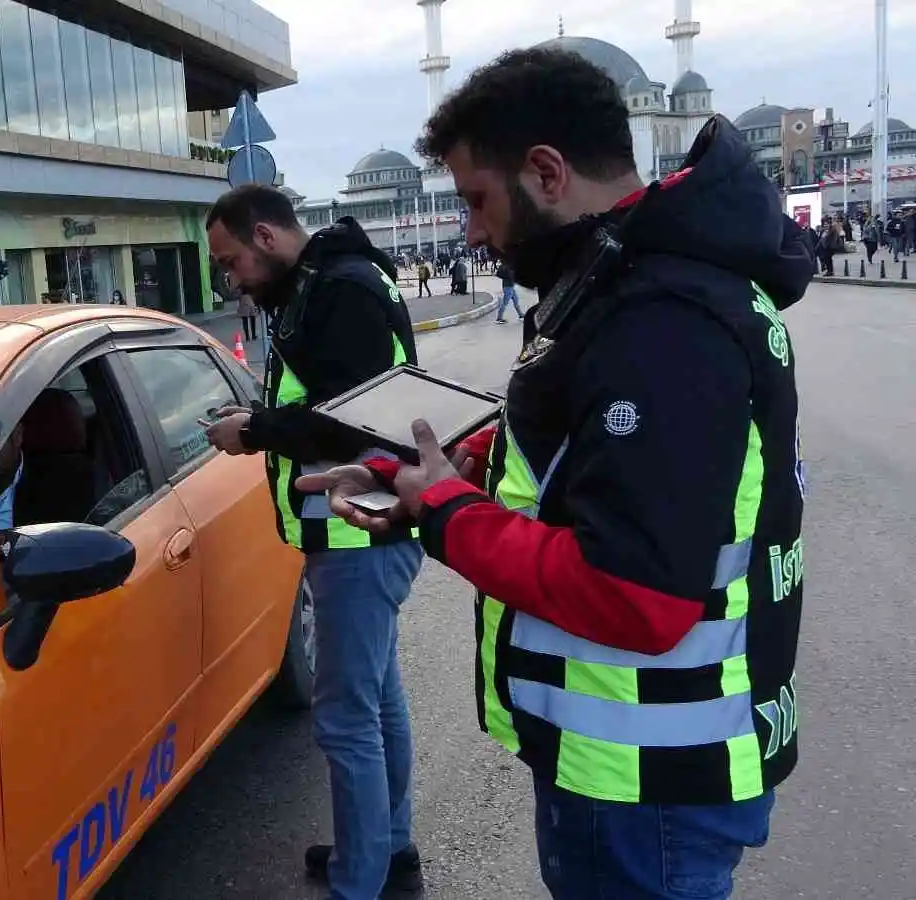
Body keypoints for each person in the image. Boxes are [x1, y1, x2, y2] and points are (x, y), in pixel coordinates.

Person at [297, 48, 810, 900]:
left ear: (545, 172)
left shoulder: (659, 323)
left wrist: (448, 513)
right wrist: (436, 475)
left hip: (643, 784)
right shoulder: (633, 284)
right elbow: (583, 461)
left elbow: (634, 594)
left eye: (475, 200)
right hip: (631, 771)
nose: (468, 230)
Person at [201, 184, 425, 900]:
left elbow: (354, 421)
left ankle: (362, 881)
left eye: (232, 261)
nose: (230, 278)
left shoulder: (342, 290)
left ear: (266, 236)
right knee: (376, 700)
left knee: (345, 717)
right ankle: (386, 846)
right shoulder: (324, 285)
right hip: (360, 527)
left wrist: (254, 431)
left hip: (361, 533)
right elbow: (328, 399)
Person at [494, 257, 522, 322]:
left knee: (516, 300)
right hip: (508, 287)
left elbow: (498, 274)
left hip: (509, 286)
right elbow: (509, 275)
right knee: (505, 303)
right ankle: (499, 318)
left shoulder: (505, 265)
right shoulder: (507, 266)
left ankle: (521, 315)